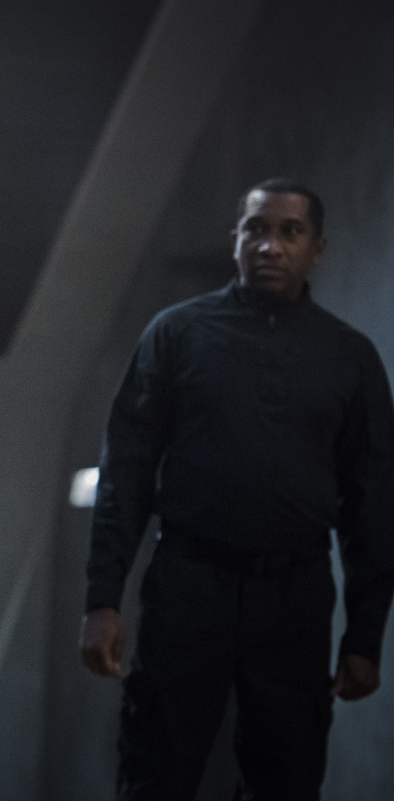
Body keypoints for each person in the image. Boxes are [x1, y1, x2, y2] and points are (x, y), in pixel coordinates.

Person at [79, 178, 394, 800]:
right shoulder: (177, 334)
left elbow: (374, 502)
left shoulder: (349, 358)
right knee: (155, 775)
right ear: (235, 241)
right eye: (256, 230)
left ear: (317, 248)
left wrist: (365, 637)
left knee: (287, 780)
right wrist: (103, 599)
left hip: (295, 598)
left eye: (290, 232)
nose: (270, 246)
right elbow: (126, 472)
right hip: (189, 585)